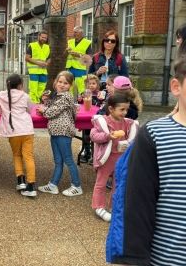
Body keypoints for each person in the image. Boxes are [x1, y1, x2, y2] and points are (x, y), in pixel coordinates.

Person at [106, 57, 186, 265]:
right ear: (176, 87)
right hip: (168, 258)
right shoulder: (156, 135)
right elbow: (137, 201)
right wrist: (135, 257)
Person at [90, 94, 138, 222]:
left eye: (126, 109)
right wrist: (107, 136)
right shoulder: (103, 121)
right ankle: (98, 207)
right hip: (106, 159)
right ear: (111, 109)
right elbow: (94, 135)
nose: (125, 112)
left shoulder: (127, 123)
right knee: (101, 183)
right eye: (122, 109)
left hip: (121, 159)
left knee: (118, 184)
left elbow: (133, 136)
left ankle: (113, 206)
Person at [37, 71, 83, 197]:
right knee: (58, 160)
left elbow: (52, 112)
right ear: (55, 82)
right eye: (60, 82)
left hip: (63, 131)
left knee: (68, 160)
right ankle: (53, 185)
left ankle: (77, 185)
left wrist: (44, 109)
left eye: (66, 83)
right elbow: (52, 107)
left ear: (70, 85)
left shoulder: (66, 96)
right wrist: (45, 102)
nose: (62, 85)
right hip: (56, 131)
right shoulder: (58, 96)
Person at [0, 74, 37, 197]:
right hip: (27, 129)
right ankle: (31, 185)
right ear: (20, 85)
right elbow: (31, 109)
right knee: (28, 157)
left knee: (17, 155)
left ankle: (20, 180)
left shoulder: (1, 96)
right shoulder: (25, 96)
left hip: (13, 131)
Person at [78, 74, 103, 164]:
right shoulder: (84, 93)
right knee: (86, 137)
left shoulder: (99, 94)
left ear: (97, 85)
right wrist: (80, 99)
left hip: (96, 119)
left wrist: (101, 99)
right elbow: (80, 105)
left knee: (95, 138)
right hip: (86, 118)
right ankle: (87, 153)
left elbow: (101, 105)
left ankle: (94, 155)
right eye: (89, 83)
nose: (91, 85)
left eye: (93, 83)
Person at [65, 26, 92, 95]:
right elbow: (64, 55)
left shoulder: (87, 42)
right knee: (68, 87)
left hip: (80, 68)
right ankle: (68, 102)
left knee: (81, 88)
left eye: (75, 32)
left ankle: (82, 103)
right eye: (73, 32)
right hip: (69, 67)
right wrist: (66, 51)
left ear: (81, 33)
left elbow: (89, 57)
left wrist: (78, 55)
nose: (73, 34)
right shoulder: (70, 42)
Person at [26, 31, 50, 104]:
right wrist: (38, 63)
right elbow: (27, 58)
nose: (44, 39)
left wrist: (47, 63)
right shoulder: (32, 45)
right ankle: (33, 103)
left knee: (42, 88)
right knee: (33, 88)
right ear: (39, 37)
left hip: (43, 71)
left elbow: (49, 58)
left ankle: (38, 101)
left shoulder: (47, 47)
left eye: (45, 38)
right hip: (34, 71)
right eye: (42, 37)